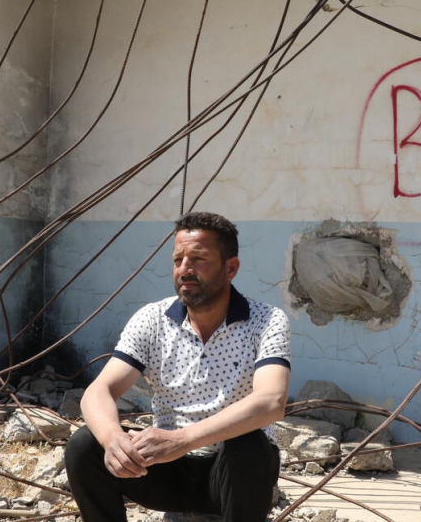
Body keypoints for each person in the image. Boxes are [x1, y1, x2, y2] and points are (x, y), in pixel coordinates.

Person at [65, 212, 291, 522]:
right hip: (166, 469)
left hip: (232, 477)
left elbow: (271, 402)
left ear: (231, 268)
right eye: (178, 259)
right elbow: (99, 391)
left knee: (250, 445)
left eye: (198, 259)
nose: (185, 269)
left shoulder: (266, 321)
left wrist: (182, 440)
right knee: (84, 445)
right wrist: (112, 439)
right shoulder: (152, 319)